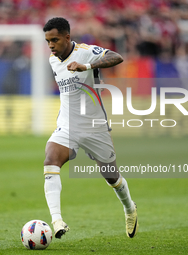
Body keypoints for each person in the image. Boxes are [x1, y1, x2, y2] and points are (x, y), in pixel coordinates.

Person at [43, 17, 138, 239]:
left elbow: (117, 57)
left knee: (111, 176)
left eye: (55, 40)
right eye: (47, 41)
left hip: (95, 127)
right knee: (50, 159)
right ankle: (56, 221)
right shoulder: (53, 60)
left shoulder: (86, 51)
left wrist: (87, 66)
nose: (51, 45)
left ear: (67, 37)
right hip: (67, 125)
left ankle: (129, 207)